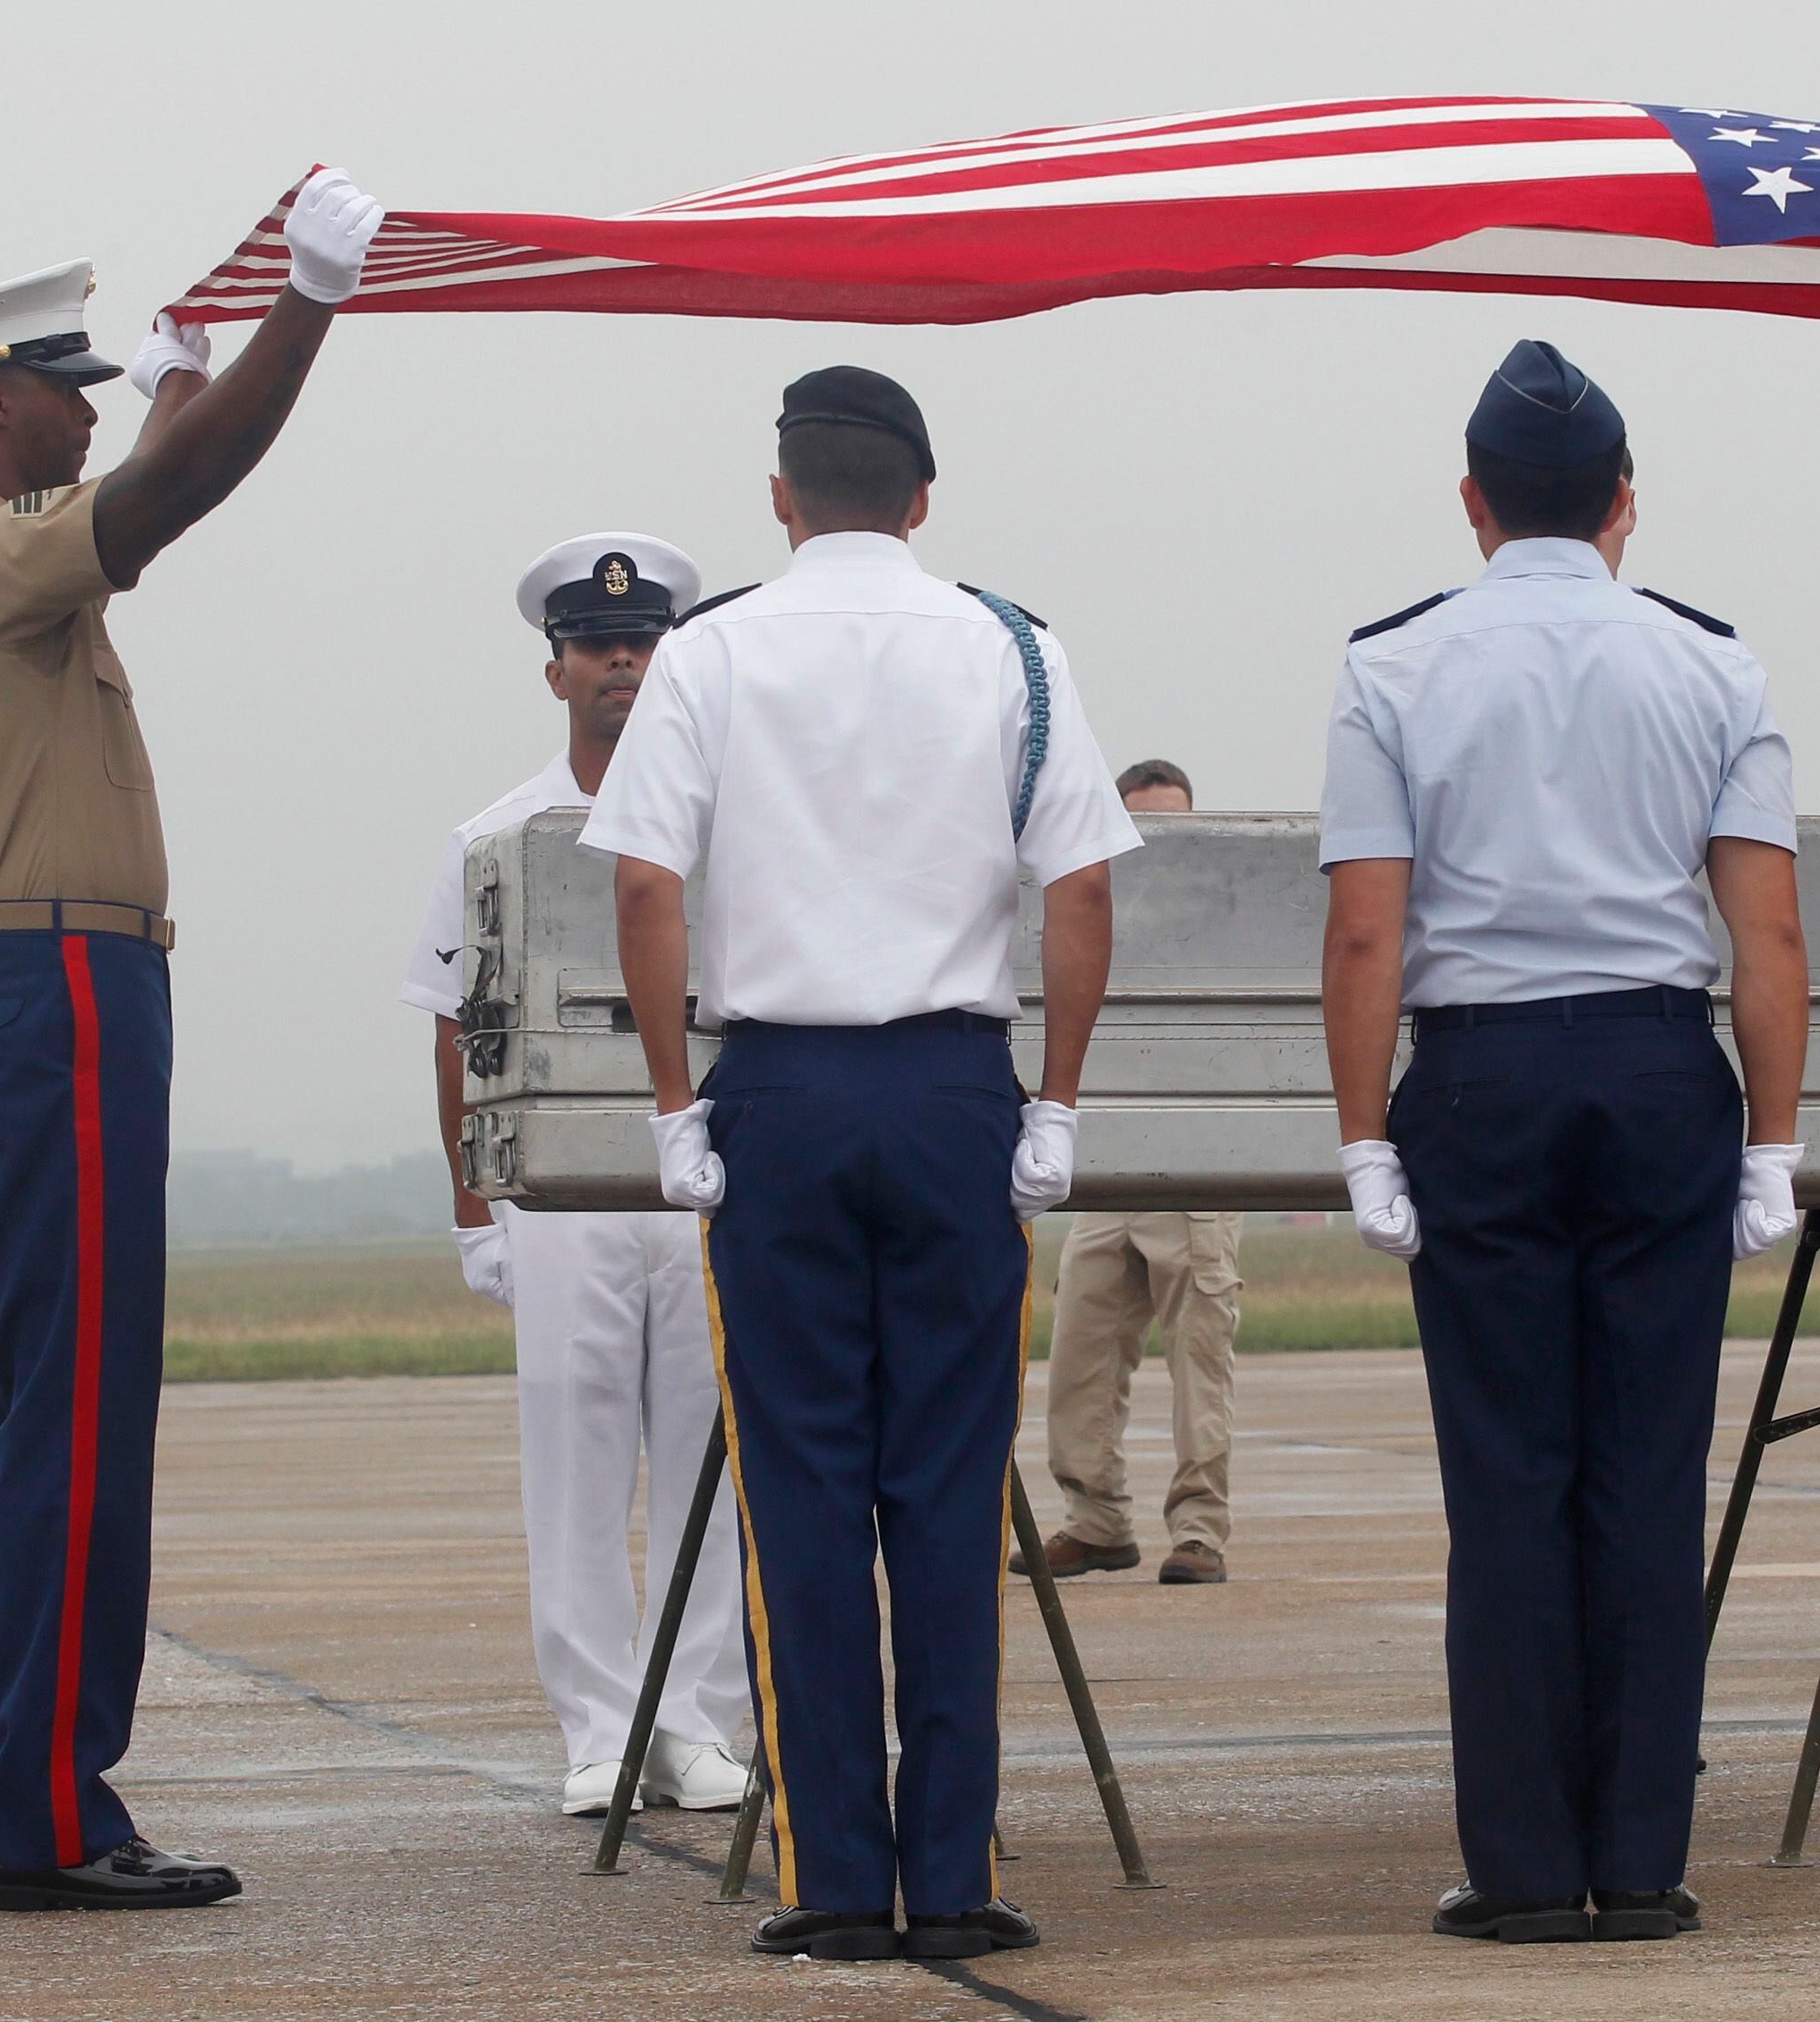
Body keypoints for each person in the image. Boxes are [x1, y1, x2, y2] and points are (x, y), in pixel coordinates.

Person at [585, 366, 1138, 1962]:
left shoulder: (708, 650)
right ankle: (951, 1873)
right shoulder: (1015, 646)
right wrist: (1061, 1102)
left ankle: (838, 1875)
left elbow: (643, 881)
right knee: (953, 1483)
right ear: (919, 497)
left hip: (784, 1093)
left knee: (803, 1484)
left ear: (779, 497)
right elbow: (1083, 886)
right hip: (958, 1086)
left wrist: (677, 1101)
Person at [0, 169, 385, 1912]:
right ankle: (37, 1811)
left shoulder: (3, 557)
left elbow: (140, 467)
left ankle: (35, 1791)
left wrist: (183, 361)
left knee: (59, 1414)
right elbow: (164, 494)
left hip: (66, 993)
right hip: (56, 997)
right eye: (66, 387)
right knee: (74, 1420)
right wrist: (308, 304)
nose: (86, 414)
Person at [1320, 339, 1811, 1945]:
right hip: (1667, 1071)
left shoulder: (1392, 666)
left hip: (1481, 1078)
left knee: (1511, 1478)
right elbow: (1770, 934)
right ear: (1623, 507)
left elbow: (1364, 937)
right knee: (1650, 1475)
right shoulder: (1712, 664)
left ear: (1472, 505)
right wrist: (1777, 1140)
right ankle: (1643, 1860)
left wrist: (1362, 1135)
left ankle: (1528, 1864)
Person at [402, 533, 753, 1818]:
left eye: (645, 643)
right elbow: (453, 1029)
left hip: (699, 1175)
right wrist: (470, 1211)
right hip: (558, 1189)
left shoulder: (734, 822)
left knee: (712, 1453)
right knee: (577, 1455)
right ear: (555, 670)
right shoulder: (497, 834)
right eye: (598, 646)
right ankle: (601, 1725)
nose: (622, 663)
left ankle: (699, 1720)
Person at [1017, 758, 1247, 1588]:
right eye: (1145, 824)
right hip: (1111, 1161)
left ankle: (1199, 1530)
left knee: (1200, 1356)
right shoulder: (1094, 912)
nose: (1160, 842)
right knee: (1080, 1337)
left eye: (1175, 825)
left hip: (1192, 1163)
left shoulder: (1219, 924)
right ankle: (1096, 1515)